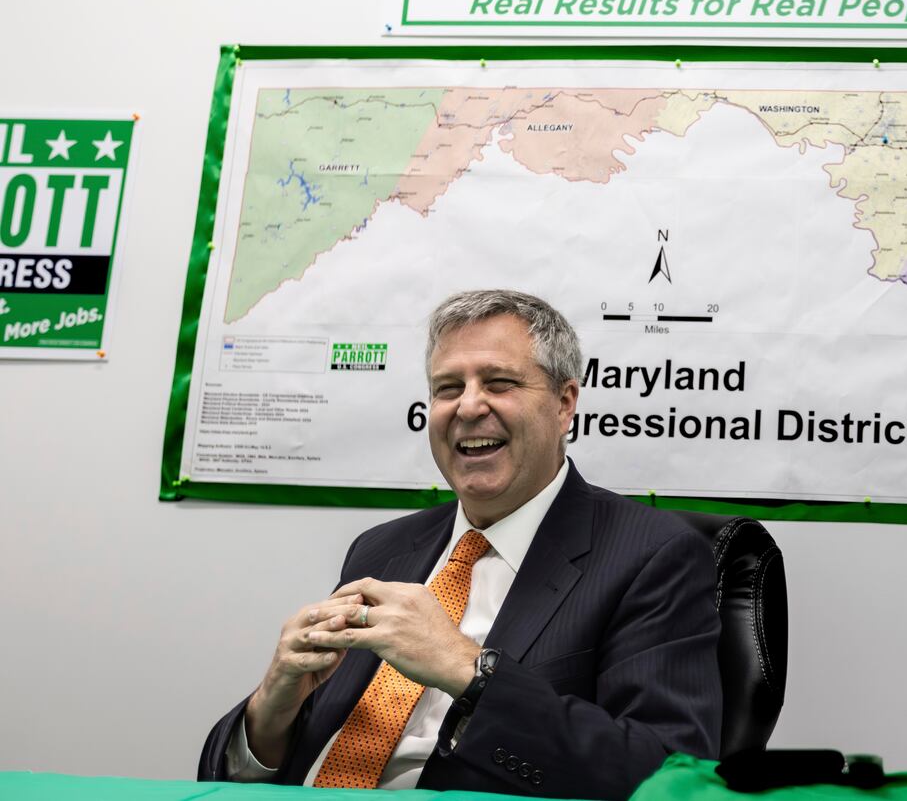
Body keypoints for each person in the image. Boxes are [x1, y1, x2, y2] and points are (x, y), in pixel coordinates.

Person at [198, 290, 722, 797]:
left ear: (565, 404)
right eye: (448, 388)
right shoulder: (382, 549)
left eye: (499, 383)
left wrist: (469, 671)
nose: (468, 407)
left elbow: (670, 775)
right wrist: (272, 706)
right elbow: (242, 772)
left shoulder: (653, 555)